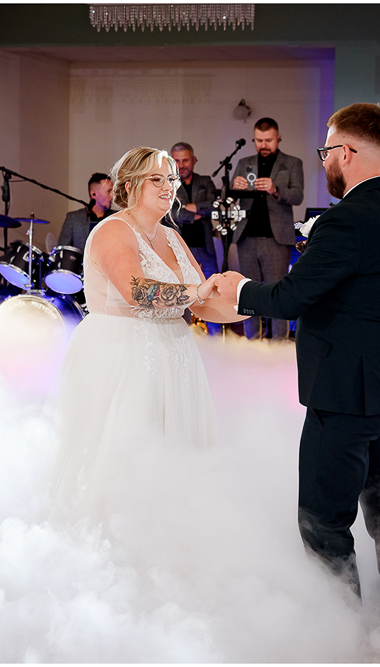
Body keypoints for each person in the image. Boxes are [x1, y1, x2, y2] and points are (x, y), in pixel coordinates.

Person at [215, 103, 380, 600]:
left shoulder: (346, 220)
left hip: (343, 393)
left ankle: (338, 630)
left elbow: (290, 298)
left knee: (323, 520)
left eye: (326, 150)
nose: (324, 159)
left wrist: (238, 288)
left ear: (345, 153)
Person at [49, 147, 245, 519]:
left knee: (173, 453)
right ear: (129, 185)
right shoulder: (113, 230)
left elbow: (203, 304)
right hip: (125, 355)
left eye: (171, 179)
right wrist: (198, 291)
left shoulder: (172, 236)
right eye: (157, 179)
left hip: (175, 355)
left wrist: (254, 300)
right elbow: (137, 291)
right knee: (128, 456)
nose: (169, 186)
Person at [230, 117, 304, 341]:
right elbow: (230, 195)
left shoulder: (292, 163)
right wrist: (235, 187)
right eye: (259, 140)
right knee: (248, 294)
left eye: (268, 140)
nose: (263, 145)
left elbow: (298, 196)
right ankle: (253, 344)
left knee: (278, 294)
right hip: (247, 237)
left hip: (276, 239)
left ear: (278, 138)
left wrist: (275, 189)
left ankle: (279, 344)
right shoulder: (244, 162)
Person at [170, 142, 222, 335]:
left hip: (205, 248)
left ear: (194, 160)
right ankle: (183, 339)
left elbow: (215, 206)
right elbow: (171, 213)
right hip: (179, 250)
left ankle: (216, 340)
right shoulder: (169, 184)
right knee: (181, 295)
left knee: (213, 295)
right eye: (176, 161)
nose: (181, 165)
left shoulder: (205, 181)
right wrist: (197, 213)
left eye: (185, 160)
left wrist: (189, 208)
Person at [57, 172, 116, 250]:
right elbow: (63, 251)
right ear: (93, 194)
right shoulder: (73, 218)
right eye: (109, 191)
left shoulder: (116, 218)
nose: (112, 196)